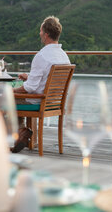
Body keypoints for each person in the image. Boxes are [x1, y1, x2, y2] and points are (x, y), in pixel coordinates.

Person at [11, 16, 71, 153]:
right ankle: (21, 133)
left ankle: (21, 132)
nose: (40, 34)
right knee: (14, 98)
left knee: (4, 99)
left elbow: (29, 88)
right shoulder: (64, 57)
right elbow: (46, 79)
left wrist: (11, 92)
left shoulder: (41, 56)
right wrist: (29, 77)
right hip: (55, 102)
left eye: (40, 31)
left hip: (38, 101)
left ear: (46, 34)